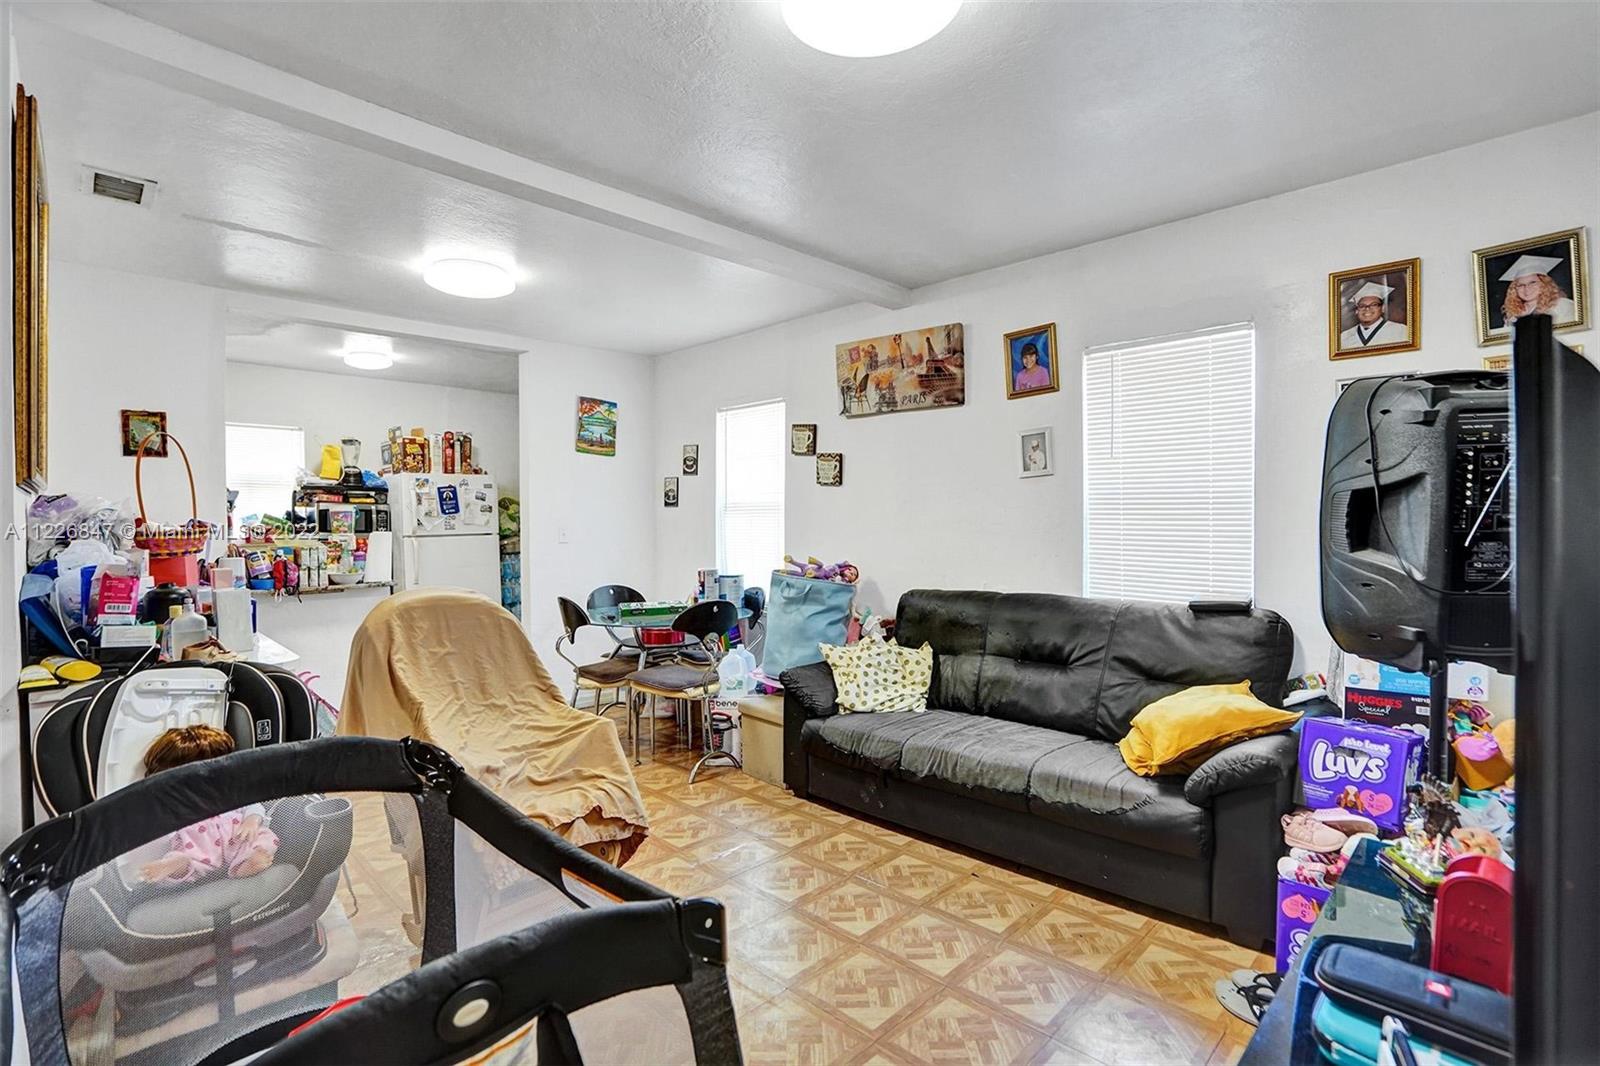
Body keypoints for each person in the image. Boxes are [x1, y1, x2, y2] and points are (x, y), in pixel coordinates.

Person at [137, 725, 279, 882]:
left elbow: (253, 805)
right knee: (185, 860)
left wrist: (251, 820)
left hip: (239, 839)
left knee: (265, 837)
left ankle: (246, 864)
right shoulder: (177, 804)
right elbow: (163, 832)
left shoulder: (230, 793)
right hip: (199, 849)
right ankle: (175, 865)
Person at [1499, 253, 1576, 325]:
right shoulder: (1513, 316)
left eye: (1533, 282)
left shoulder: (1562, 306)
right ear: (1514, 289)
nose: (1527, 288)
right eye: (1521, 285)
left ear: (1544, 284)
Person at [1339, 281, 1410, 349]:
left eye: (1374, 305)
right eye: (1362, 306)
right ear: (1357, 311)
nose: (1367, 309)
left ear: (1383, 309)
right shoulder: (1344, 337)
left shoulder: (1400, 330)